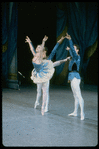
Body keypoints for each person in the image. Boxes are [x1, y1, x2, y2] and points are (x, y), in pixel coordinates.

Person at [25, 35, 70, 115]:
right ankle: (37, 101)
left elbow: (55, 49)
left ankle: (46, 107)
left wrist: (60, 40)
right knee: (38, 91)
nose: (39, 49)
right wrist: (30, 42)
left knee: (46, 92)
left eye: (40, 48)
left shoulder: (48, 58)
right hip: (38, 74)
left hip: (45, 75)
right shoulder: (37, 56)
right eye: (38, 48)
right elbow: (32, 49)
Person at [65, 33, 85, 120]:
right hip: (72, 76)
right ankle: (75, 112)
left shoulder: (77, 57)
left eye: (74, 48)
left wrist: (70, 40)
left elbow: (73, 52)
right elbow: (72, 52)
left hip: (75, 77)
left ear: (77, 50)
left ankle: (82, 113)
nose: (73, 49)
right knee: (75, 95)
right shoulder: (73, 57)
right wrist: (70, 49)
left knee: (78, 95)